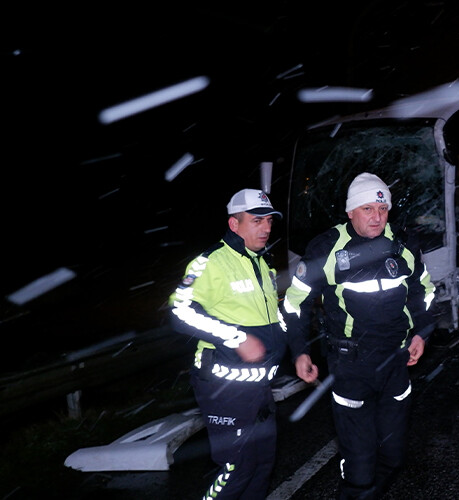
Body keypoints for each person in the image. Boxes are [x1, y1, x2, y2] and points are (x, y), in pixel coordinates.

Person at [282, 172, 435, 499]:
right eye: (367, 209)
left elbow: (423, 291)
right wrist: (300, 351)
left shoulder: (403, 243)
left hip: (397, 362)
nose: (377, 217)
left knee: (393, 456)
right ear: (350, 212)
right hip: (352, 366)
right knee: (360, 467)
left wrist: (421, 333)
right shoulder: (327, 248)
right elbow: (295, 303)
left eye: (382, 209)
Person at [169, 188, 318, 500]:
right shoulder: (210, 263)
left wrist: (298, 353)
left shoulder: (263, 264)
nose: (266, 228)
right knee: (237, 469)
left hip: (259, 388)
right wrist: (236, 337)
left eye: (269, 221)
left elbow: (274, 318)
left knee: (262, 466)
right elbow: (179, 311)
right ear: (234, 224)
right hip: (223, 388)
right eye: (257, 221)